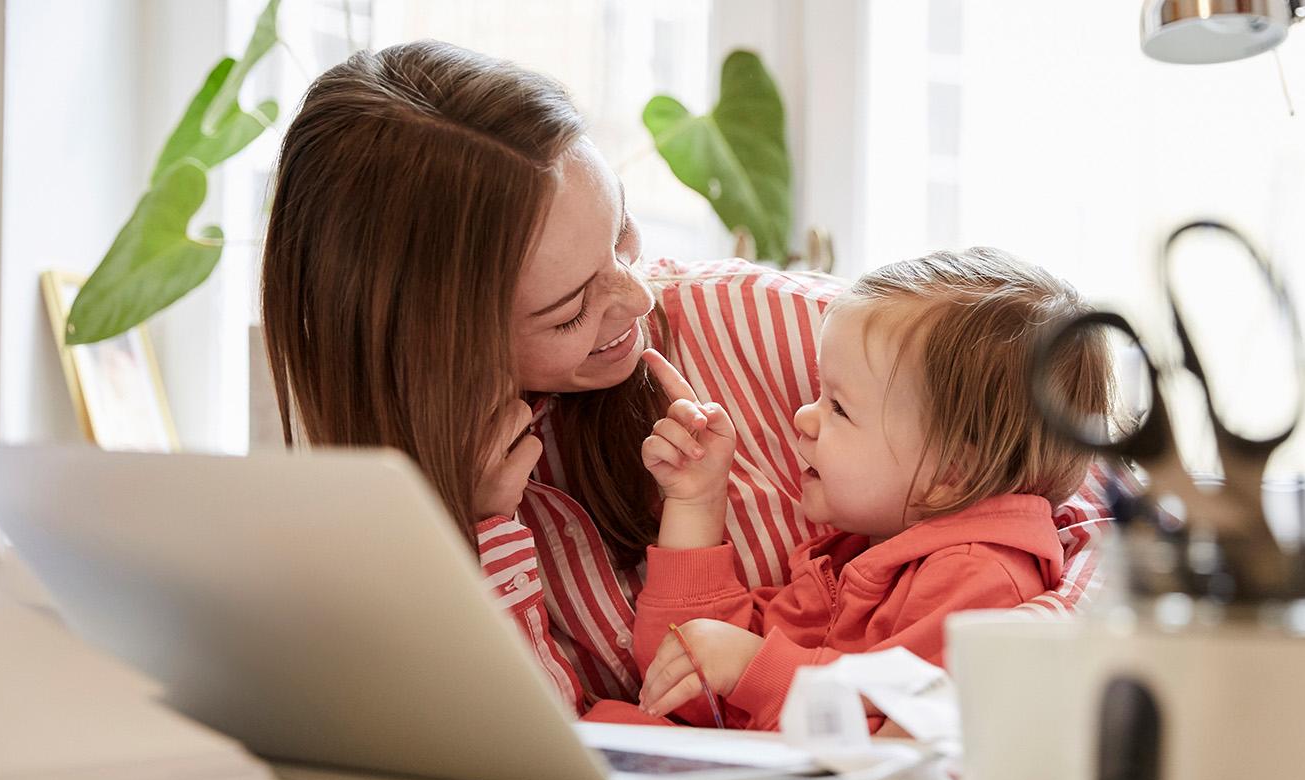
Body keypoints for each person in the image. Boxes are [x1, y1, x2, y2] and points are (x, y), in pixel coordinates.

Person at [261, 41, 1111, 714]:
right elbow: (544, 751)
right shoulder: (384, 511)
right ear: (435, 345)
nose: (638, 296)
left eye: (623, 237)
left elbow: (1084, 503)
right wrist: (489, 529)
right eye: (567, 310)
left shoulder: (781, 330)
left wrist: (990, 668)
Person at [621, 248, 1112, 730]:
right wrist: (695, 501)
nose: (802, 417)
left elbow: (903, 731)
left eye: (839, 407)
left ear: (950, 477)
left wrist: (754, 665)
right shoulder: (857, 553)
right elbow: (688, 685)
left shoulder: (976, 574)